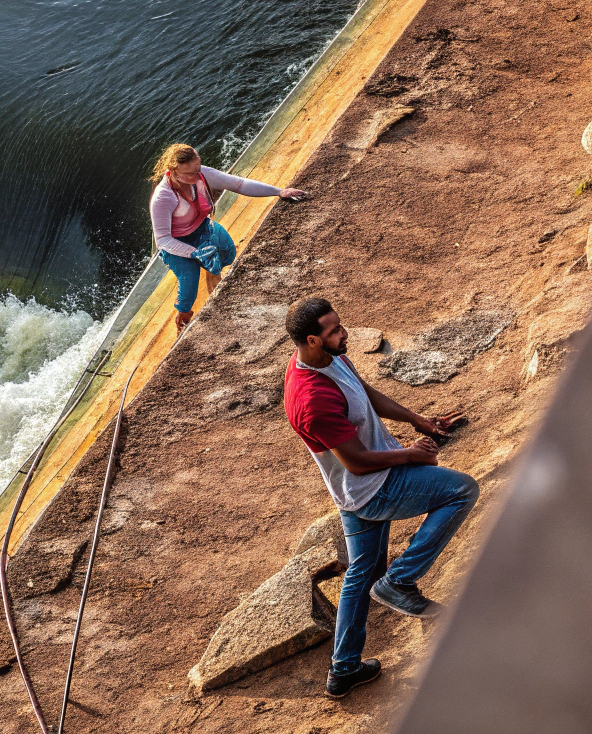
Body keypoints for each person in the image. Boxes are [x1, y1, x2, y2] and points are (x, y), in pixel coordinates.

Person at [282, 296, 478, 698]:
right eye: (334, 331)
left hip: (354, 493)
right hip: (371, 487)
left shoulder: (329, 359)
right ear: (312, 340)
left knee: (360, 575)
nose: (344, 333)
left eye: (340, 325)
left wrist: (416, 419)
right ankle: (401, 580)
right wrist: (410, 453)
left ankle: (343, 670)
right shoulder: (310, 399)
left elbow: (366, 394)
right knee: (461, 490)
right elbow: (355, 461)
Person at [150, 144, 306, 333]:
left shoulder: (202, 174)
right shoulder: (163, 198)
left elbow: (239, 184)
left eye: (198, 169)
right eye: (190, 174)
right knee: (189, 288)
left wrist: (279, 191)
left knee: (229, 253)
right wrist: (195, 253)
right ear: (173, 171)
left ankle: (211, 271)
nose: (197, 176)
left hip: (203, 229)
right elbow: (163, 240)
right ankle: (182, 317)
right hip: (178, 245)